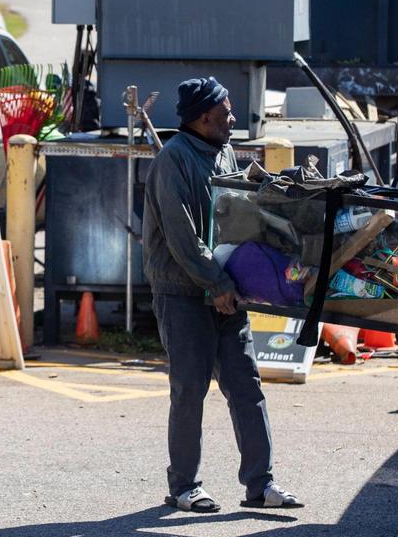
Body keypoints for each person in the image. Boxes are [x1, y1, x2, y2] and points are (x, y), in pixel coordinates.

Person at [142, 76, 301, 513]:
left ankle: (260, 484)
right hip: (183, 292)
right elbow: (182, 235)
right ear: (204, 116)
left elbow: (234, 216)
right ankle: (183, 486)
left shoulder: (225, 151)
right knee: (190, 389)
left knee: (246, 387)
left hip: (227, 291)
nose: (233, 118)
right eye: (227, 112)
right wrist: (217, 284)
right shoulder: (172, 160)